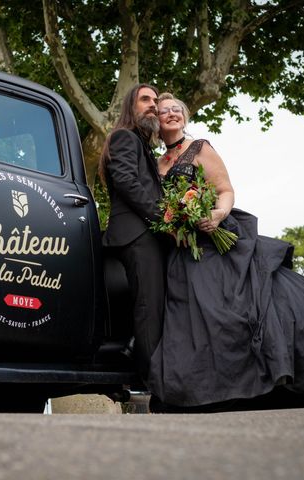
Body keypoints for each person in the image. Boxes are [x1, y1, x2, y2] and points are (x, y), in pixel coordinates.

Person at [147, 92, 304, 411]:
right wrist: (175, 224)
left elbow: (225, 190)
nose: (172, 113)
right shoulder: (156, 163)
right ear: (156, 121)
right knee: (194, 316)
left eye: (177, 109)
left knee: (236, 307)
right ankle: (206, 391)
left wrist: (217, 215)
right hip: (184, 249)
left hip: (216, 237)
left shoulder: (200, 148)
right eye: (164, 111)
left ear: (184, 116)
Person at [99, 83, 167, 384]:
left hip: (144, 234)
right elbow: (126, 182)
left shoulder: (144, 145)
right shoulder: (124, 137)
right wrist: (161, 217)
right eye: (145, 100)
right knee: (148, 310)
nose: (153, 105)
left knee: (150, 309)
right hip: (136, 234)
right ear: (131, 107)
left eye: (155, 100)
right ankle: (156, 388)